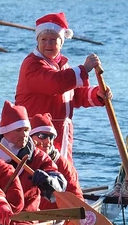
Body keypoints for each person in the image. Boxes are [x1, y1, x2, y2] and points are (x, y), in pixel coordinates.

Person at [15, 12, 111, 163]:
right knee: (44, 174)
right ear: (37, 41)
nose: (48, 44)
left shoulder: (62, 65)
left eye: (53, 40)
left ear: (61, 42)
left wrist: (97, 94)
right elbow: (55, 84)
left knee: (64, 173)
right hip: (39, 133)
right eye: (44, 39)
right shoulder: (32, 64)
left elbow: (75, 96)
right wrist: (84, 69)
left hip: (62, 134)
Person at [0, 101, 67, 211]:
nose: (24, 135)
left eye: (26, 130)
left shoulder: (39, 157)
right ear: (6, 132)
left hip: (25, 220)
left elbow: (60, 183)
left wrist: (49, 181)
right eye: (18, 130)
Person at [29, 113, 83, 207]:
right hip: (26, 217)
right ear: (30, 138)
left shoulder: (63, 165)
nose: (48, 142)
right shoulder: (19, 160)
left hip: (55, 217)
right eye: (42, 136)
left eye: (51, 137)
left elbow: (77, 199)